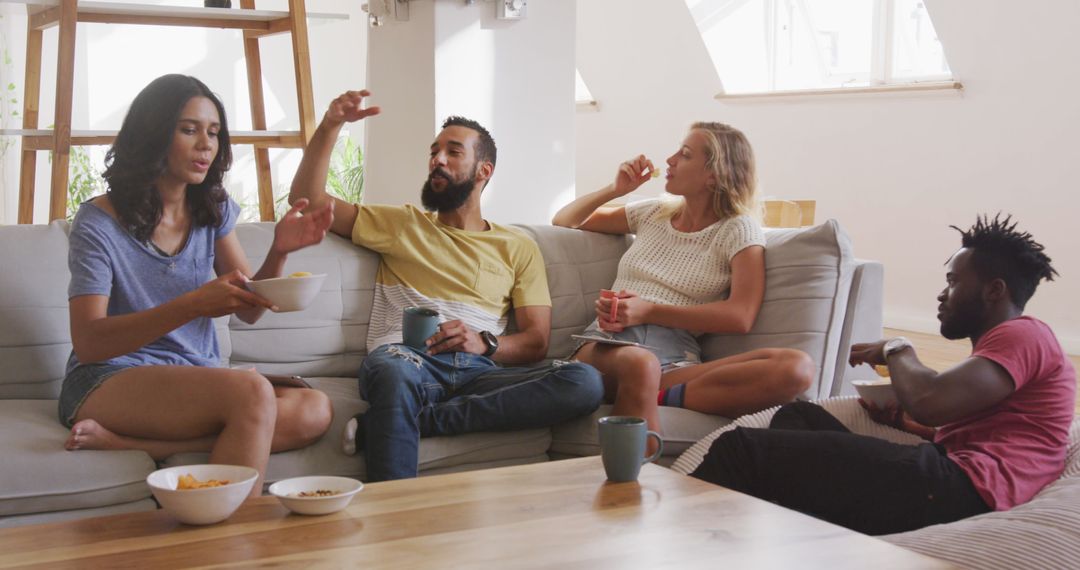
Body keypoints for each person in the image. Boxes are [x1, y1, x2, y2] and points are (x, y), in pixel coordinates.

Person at [689, 214, 1075, 535]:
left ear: (994, 290)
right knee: (798, 416)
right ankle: (797, 537)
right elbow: (983, 432)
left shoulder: (1025, 334)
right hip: (955, 480)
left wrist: (897, 348)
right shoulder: (1007, 347)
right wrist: (908, 425)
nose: (942, 294)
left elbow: (930, 401)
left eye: (953, 281)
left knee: (740, 448)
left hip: (960, 488)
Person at [288, 90, 604, 482]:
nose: (437, 159)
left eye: (453, 152)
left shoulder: (518, 246)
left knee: (583, 382)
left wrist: (484, 343)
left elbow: (536, 342)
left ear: (484, 170)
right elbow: (306, 200)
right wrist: (330, 125)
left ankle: (408, 422)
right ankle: (395, 507)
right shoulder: (402, 224)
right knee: (394, 375)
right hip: (406, 359)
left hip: (478, 372)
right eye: (434, 151)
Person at [58, 74, 336, 497]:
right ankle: (236, 532)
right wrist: (192, 304)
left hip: (193, 375)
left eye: (214, 132)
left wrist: (279, 251)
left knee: (314, 408)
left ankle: (134, 445)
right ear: (153, 134)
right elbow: (90, 342)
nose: (207, 145)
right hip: (108, 379)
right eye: (189, 130)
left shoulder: (211, 207)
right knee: (252, 393)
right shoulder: (98, 224)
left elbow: (249, 308)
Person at [551, 123, 814, 446]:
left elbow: (741, 315)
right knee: (641, 364)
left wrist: (649, 311)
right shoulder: (654, 212)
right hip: (609, 346)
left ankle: (658, 394)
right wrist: (615, 190)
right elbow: (565, 220)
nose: (671, 160)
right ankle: (639, 443)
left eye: (685, 155)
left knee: (795, 367)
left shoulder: (739, 230)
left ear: (713, 176)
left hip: (676, 361)